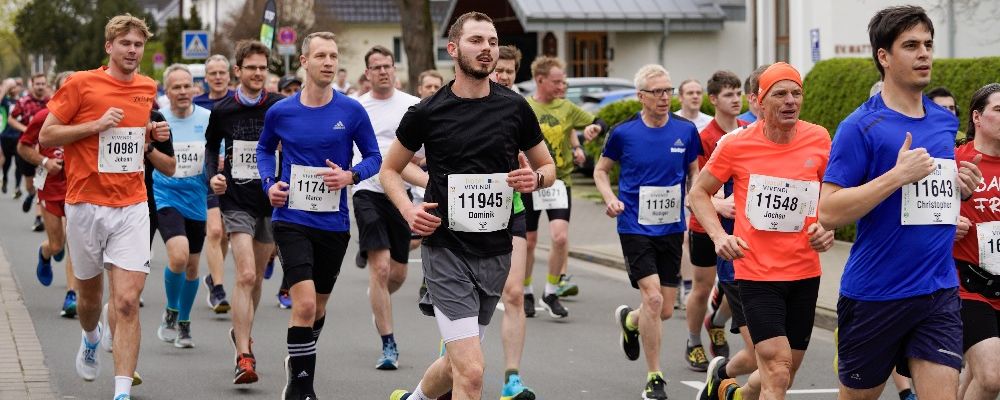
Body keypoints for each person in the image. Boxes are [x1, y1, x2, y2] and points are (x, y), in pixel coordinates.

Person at [385, 12, 555, 400]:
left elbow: (547, 166)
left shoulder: (515, 108)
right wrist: (408, 211)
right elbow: (390, 170)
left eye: (492, 42)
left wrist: (537, 179)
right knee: (473, 372)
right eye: (476, 41)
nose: (486, 49)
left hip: (495, 252)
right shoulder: (428, 111)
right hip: (446, 249)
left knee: (456, 364)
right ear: (453, 48)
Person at [819, 6, 981, 400]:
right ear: (884, 57)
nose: (924, 53)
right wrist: (896, 176)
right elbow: (829, 210)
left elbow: (931, 195)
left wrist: (961, 184)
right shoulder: (860, 126)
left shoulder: (944, 123)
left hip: (938, 289)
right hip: (876, 293)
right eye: (910, 45)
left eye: (927, 44)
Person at [39, 14, 169, 400]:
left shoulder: (148, 87)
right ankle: (92, 337)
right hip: (84, 204)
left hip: (132, 203)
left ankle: (122, 391)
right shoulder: (81, 84)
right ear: (109, 47)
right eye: (125, 44)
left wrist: (152, 134)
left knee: (127, 301)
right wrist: (94, 125)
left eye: (138, 45)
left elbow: (135, 133)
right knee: (91, 301)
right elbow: (47, 135)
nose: (132, 51)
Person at [690, 62, 834, 400]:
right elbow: (699, 193)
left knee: (786, 372)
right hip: (756, 272)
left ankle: (736, 393)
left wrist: (826, 228)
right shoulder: (736, 144)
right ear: (758, 100)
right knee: (777, 365)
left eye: (796, 93)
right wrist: (719, 236)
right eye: (780, 94)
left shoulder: (818, 137)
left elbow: (832, 194)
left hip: (804, 271)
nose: (790, 101)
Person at [256, 31, 381, 400]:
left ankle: (297, 363)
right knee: (305, 303)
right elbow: (264, 151)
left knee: (318, 307)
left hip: (334, 222)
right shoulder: (281, 111)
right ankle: (302, 388)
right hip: (291, 218)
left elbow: (374, 157)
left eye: (334, 55)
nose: (329, 62)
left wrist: (350, 175)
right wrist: (269, 184)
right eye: (321, 55)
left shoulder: (351, 110)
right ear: (304, 62)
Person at [595, 63, 700, 400]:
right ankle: (655, 377)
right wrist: (610, 198)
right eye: (657, 92)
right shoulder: (624, 133)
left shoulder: (685, 131)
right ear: (641, 96)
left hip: (671, 227)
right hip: (634, 225)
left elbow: (695, 170)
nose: (665, 97)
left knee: (664, 310)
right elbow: (600, 171)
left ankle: (630, 322)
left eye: (668, 90)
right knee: (653, 298)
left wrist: (693, 198)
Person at [204, 39, 285, 385]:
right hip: (236, 201)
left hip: (271, 200)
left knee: (255, 282)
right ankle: (244, 355)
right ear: (238, 71)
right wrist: (215, 178)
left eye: (262, 68)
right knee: (247, 274)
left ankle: (242, 332)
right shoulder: (223, 110)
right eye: (250, 67)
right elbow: (211, 151)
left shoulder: (281, 107)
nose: (257, 74)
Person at [351, 45, 422, 371]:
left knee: (397, 274)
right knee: (379, 270)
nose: (382, 71)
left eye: (387, 65)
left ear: (395, 68)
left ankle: (377, 296)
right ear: (367, 73)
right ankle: (388, 343)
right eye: (376, 66)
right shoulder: (357, 108)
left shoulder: (412, 105)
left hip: (401, 194)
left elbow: (425, 150)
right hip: (367, 191)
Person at [523, 56, 605, 318]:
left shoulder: (567, 108)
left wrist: (593, 129)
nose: (562, 86)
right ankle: (525, 291)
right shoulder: (524, 107)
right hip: (530, 181)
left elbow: (600, 121)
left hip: (559, 181)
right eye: (556, 82)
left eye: (563, 81)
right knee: (529, 241)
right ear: (540, 80)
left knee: (560, 237)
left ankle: (551, 291)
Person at [685, 70, 749, 369]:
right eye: (728, 94)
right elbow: (693, 189)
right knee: (703, 286)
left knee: (736, 284)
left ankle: (718, 321)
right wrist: (717, 204)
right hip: (705, 226)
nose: (736, 99)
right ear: (713, 100)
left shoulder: (748, 129)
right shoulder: (704, 138)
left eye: (738, 93)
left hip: (739, 225)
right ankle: (693, 340)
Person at [485, 43, 536, 400]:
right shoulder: (458, 104)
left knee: (514, 293)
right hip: (466, 212)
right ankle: (453, 355)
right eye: (498, 69)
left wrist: (535, 175)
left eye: (509, 71)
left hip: (511, 205)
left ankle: (511, 379)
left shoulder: (520, 108)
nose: (503, 75)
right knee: (472, 297)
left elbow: (541, 161)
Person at [152, 64, 211, 349]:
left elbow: (216, 156)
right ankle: (171, 310)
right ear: (167, 91)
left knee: (191, 266)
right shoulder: (159, 121)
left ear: (195, 88)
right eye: (176, 87)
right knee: (178, 256)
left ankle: (184, 322)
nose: (183, 91)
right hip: (166, 196)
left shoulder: (207, 118)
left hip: (197, 199)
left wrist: (218, 172)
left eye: (187, 85)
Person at [953, 83, 1000, 400]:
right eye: (998, 109)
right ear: (977, 117)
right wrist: (946, 222)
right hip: (969, 285)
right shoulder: (957, 161)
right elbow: (921, 215)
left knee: (974, 376)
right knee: (991, 377)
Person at [17, 71, 76, 315]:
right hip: (50, 187)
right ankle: (45, 253)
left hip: (78, 188)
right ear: (58, 92)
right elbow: (23, 147)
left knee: (75, 243)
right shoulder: (43, 117)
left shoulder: (88, 118)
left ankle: (72, 296)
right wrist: (44, 162)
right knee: (57, 243)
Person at [193, 53, 234, 313]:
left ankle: (212, 276)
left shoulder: (237, 102)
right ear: (206, 78)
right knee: (215, 231)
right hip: (204, 175)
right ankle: (218, 289)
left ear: (229, 76)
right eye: (213, 73)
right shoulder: (196, 104)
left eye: (222, 73)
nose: (218, 77)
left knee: (227, 233)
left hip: (233, 174)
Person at [10, 73, 51, 230]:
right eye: (37, 84)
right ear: (32, 85)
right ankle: (30, 194)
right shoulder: (23, 102)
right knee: (30, 184)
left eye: (43, 84)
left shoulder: (51, 102)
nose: (40, 86)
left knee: (41, 183)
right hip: (26, 148)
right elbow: (12, 119)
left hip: (44, 150)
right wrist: (26, 129)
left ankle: (38, 218)